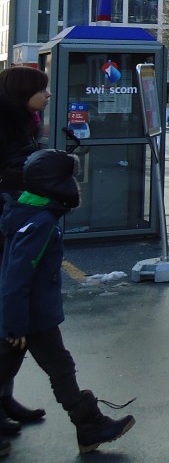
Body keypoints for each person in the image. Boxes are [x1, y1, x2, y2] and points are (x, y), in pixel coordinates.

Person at [0, 149, 136, 454]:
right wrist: (13, 326)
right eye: (70, 179)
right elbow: (15, 279)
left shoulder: (30, 214)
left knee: (59, 368)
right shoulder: (40, 224)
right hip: (26, 319)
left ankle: (90, 425)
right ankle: (90, 425)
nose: (77, 186)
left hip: (30, 317)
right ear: (54, 185)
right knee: (46, 368)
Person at [0, 66, 53, 440]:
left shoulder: (26, 122)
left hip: (15, 223)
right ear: (24, 93)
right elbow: (15, 174)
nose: (48, 95)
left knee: (16, 323)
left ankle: (6, 398)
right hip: (7, 226)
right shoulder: (7, 126)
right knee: (11, 319)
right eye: (42, 90)